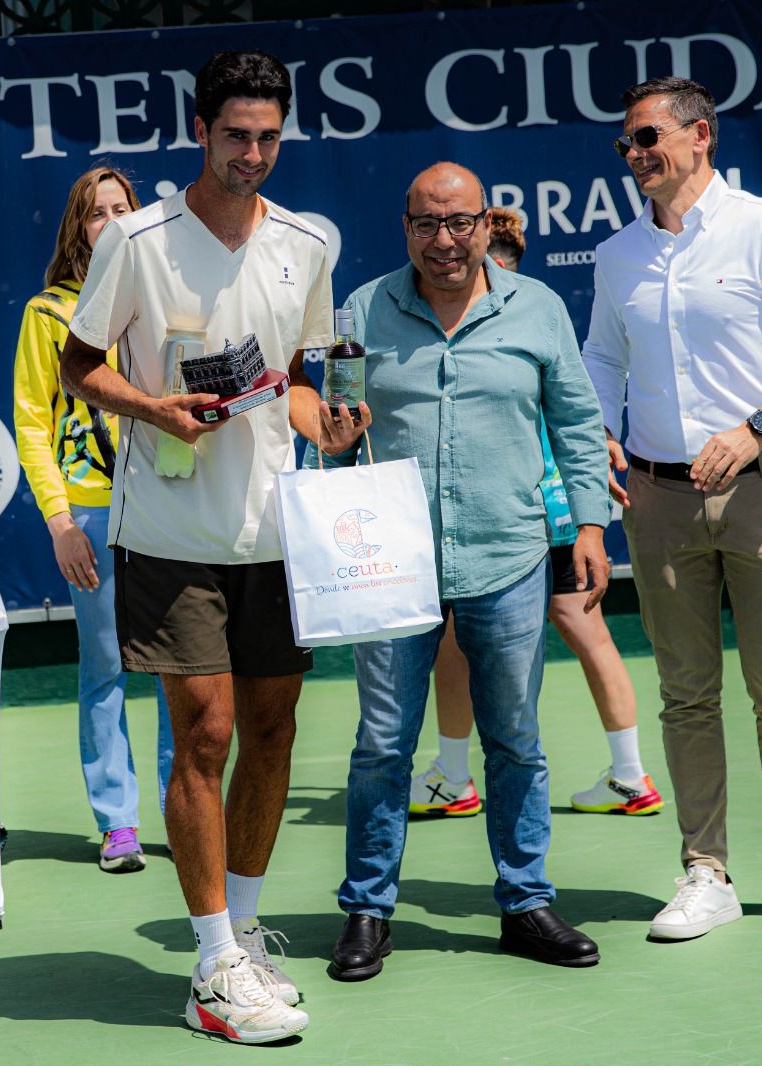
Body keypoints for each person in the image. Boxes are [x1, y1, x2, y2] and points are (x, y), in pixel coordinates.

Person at [60, 50, 333, 1044]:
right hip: (169, 531)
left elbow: (300, 381)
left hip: (276, 533)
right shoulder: (135, 240)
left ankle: (246, 930)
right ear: (201, 130)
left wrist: (322, 422)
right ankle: (213, 963)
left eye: (267, 136)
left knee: (272, 730)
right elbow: (78, 366)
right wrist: (155, 411)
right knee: (205, 732)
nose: (252, 153)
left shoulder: (308, 242)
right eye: (235, 135)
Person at [304, 162, 612, 982]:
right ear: (405, 226)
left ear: (486, 224)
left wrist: (588, 524)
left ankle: (525, 904)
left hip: (507, 553)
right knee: (381, 745)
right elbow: (328, 434)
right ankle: (367, 910)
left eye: (460, 223)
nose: (444, 241)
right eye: (427, 224)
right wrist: (333, 440)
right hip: (389, 567)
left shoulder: (538, 308)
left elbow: (578, 421)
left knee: (515, 738)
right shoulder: (361, 311)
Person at [581, 77, 762, 940]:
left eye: (648, 138)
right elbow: (599, 358)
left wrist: (757, 424)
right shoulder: (617, 255)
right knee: (686, 695)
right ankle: (706, 872)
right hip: (658, 501)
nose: (635, 155)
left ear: (700, 136)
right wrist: (596, 431)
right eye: (627, 143)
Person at [410, 207, 662, 822]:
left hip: (533, 512)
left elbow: (570, 417)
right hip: (546, 508)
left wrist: (589, 493)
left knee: (455, 639)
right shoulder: (527, 308)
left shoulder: (521, 312)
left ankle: (453, 774)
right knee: (584, 630)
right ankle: (628, 775)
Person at [14, 165, 175, 875]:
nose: (110, 221)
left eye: (122, 208)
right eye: (96, 212)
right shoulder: (48, 314)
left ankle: (185, 806)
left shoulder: (161, 299)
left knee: (183, 665)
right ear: (77, 228)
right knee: (105, 666)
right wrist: (60, 523)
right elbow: (31, 423)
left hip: (171, 501)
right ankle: (118, 823)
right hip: (92, 510)